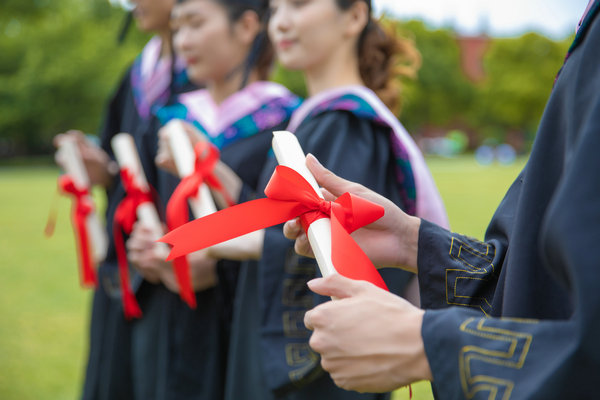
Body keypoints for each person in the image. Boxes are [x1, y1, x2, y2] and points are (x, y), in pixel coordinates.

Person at [285, 2, 600, 398]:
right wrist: (412, 241)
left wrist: (427, 342)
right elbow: (539, 286)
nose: (279, 20)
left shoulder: (347, 121)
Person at [222, 0, 448, 399]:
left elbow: (342, 252)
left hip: (327, 378)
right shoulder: (317, 120)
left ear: (356, 16)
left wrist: (233, 241)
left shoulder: (345, 124)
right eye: (275, 9)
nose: (282, 22)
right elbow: (281, 219)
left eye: (299, 4)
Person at [126, 0, 301, 398]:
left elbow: (287, 236)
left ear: (247, 26)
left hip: (244, 328)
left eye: (196, 24)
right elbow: (145, 208)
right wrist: (146, 253)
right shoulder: (169, 121)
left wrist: (216, 266)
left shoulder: (287, 124)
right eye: (178, 26)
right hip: (174, 326)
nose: (182, 40)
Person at [54, 0, 194, 398]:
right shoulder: (136, 74)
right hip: (122, 263)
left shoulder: (208, 78)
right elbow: (121, 169)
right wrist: (104, 171)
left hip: (176, 274)